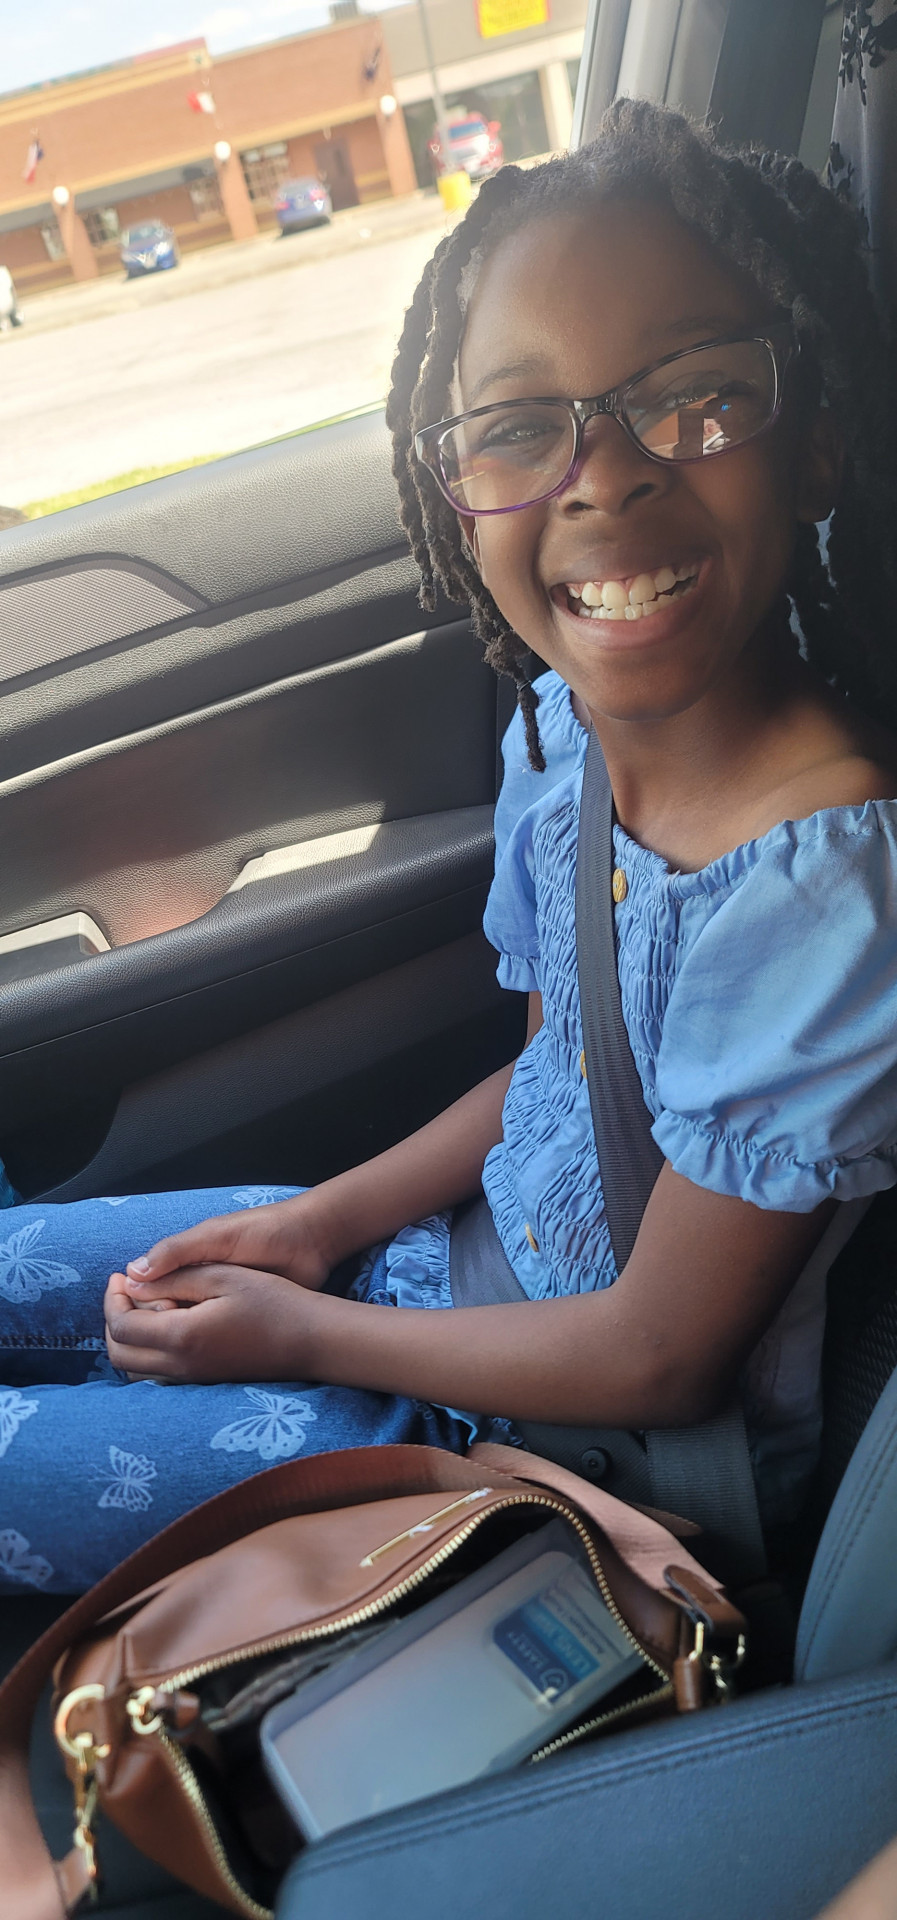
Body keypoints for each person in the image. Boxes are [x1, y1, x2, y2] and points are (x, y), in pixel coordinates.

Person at [3, 99, 897, 1595]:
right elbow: (548, 1082)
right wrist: (314, 1227)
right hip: (430, 1288)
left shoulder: (828, 882)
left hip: (556, 1452)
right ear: (457, 491)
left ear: (812, 445)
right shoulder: (564, 735)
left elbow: (663, 1354)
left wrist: (306, 1331)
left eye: (694, 396)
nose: (602, 476)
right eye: (521, 426)